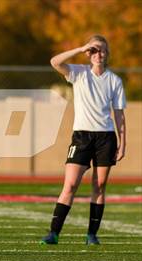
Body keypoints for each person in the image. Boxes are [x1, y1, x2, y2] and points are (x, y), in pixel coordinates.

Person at [41, 35, 126, 245]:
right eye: (94, 50)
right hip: (81, 136)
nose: (99, 54)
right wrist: (80, 48)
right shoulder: (78, 73)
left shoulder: (114, 80)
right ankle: (54, 233)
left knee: (99, 186)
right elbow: (55, 62)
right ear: (89, 53)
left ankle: (91, 235)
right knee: (70, 185)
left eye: (103, 50)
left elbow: (119, 115)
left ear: (108, 54)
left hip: (106, 137)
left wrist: (123, 143)